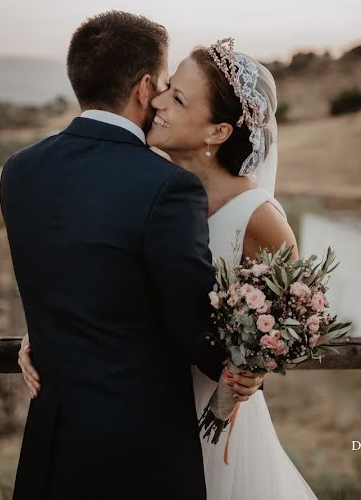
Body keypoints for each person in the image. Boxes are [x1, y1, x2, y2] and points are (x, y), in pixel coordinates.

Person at [19, 34, 320, 498]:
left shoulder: (257, 217)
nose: (157, 101)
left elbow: (288, 316)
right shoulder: (154, 188)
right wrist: (44, 333)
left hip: (210, 416)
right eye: (166, 87)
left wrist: (254, 362)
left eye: (177, 97)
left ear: (218, 131)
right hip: (144, 426)